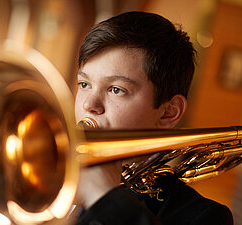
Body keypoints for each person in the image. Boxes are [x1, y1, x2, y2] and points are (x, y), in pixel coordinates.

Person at [73, 11, 234, 225]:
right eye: (84, 84)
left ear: (169, 112)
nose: (89, 105)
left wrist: (103, 196)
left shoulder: (203, 217)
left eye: (116, 89)